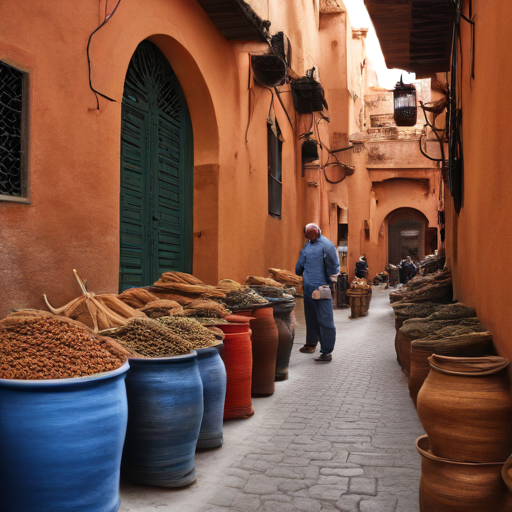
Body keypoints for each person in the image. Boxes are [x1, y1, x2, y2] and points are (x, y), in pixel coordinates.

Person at [295, 223, 340, 362]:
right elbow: (298, 268)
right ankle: (311, 344)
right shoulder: (310, 246)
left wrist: (329, 280)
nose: (311, 237)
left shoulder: (324, 245)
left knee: (325, 320)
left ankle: (326, 352)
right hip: (310, 288)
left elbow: (333, 266)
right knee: (311, 318)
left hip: (321, 288)